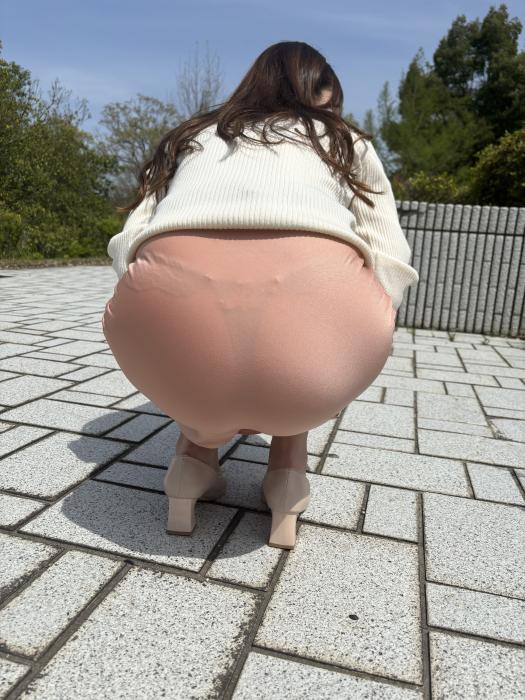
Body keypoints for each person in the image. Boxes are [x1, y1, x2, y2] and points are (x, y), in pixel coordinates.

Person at [102, 41, 419, 550]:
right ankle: (287, 478)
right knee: (302, 337)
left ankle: (190, 466)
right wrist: (371, 319)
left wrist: (141, 289)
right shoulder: (343, 141)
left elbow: (133, 234)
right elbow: (389, 248)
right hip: (312, 339)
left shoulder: (195, 136)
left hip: (167, 317)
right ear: (321, 92)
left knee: (201, 345)